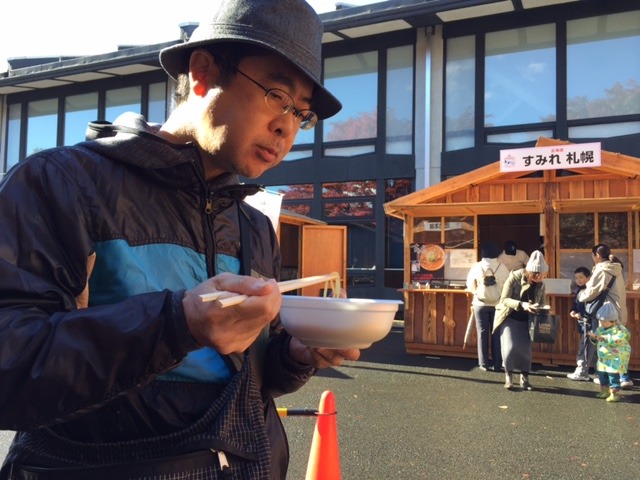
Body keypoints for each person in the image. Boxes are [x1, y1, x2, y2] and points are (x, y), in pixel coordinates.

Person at [0, 1, 360, 479]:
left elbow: (249, 379)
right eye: (277, 95)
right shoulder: (61, 184)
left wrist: (297, 355)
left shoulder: (252, 225)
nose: (287, 127)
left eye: (302, 114)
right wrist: (176, 323)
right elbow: (10, 366)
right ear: (203, 72)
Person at [577, 243, 632, 389]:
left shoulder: (602, 269)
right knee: (618, 345)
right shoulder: (616, 268)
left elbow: (592, 291)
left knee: (607, 347)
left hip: (607, 313)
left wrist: (581, 295)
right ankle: (624, 377)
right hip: (619, 311)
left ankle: (613, 379)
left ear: (597, 255)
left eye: (593, 255)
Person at [493, 250, 548, 391]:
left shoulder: (541, 284)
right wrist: (522, 304)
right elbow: (504, 299)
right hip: (510, 316)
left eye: (543, 275)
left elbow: (542, 302)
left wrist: (542, 309)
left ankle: (525, 379)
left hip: (527, 319)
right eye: (538, 275)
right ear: (530, 272)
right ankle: (509, 377)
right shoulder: (514, 277)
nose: (540, 278)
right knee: (509, 347)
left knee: (525, 350)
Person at [466, 241, 509, 372]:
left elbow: (469, 285)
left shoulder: (476, 267)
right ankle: (497, 364)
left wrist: (476, 292)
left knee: (482, 333)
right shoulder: (503, 267)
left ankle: (483, 363)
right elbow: (508, 286)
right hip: (498, 305)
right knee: (497, 334)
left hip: (480, 304)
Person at [588, 302, 631, 402]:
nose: (601, 323)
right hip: (603, 358)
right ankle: (605, 391)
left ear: (613, 321)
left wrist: (603, 338)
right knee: (602, 375)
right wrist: (593, 338)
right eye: (600, 321)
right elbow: (596, 341)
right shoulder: (600, 329)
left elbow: (618, 339)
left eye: (604, 321)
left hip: (615, 358)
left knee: (613, 376)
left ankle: (615, 393)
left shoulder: (620, 329)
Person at [566, 266, 595, 381]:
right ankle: (596, 372)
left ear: (588, 277)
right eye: (576, 278)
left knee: (585, 347)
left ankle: (582, 372)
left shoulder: (591, 290)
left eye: (581, 277)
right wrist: (573, 311)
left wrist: (581, 314)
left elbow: (590, 308)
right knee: (591, 347)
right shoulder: (579, 290)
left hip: (589, 322)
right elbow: (576, 304)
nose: (579, 280)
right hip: (583, 323)